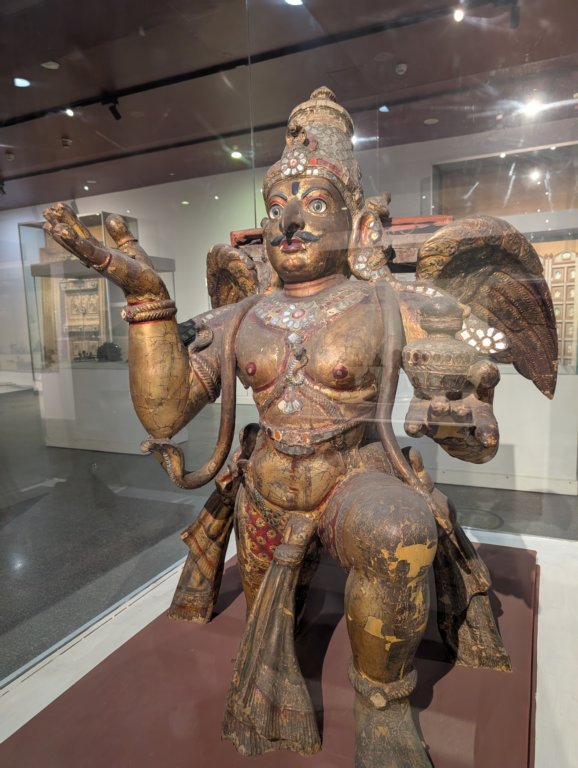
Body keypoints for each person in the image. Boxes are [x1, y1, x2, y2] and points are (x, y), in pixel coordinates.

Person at [43, 87, 556, 768]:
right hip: (263, 490)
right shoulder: (241, 316)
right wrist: (146, 296)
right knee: (272, 623)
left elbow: (473, 430)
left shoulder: (391, 302)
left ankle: (382, 706)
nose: (290, 221)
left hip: (355, 476)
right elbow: (165, 412)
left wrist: (455, 417)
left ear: (360, 225)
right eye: (278, 206)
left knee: (399, 533)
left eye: (315, 204)